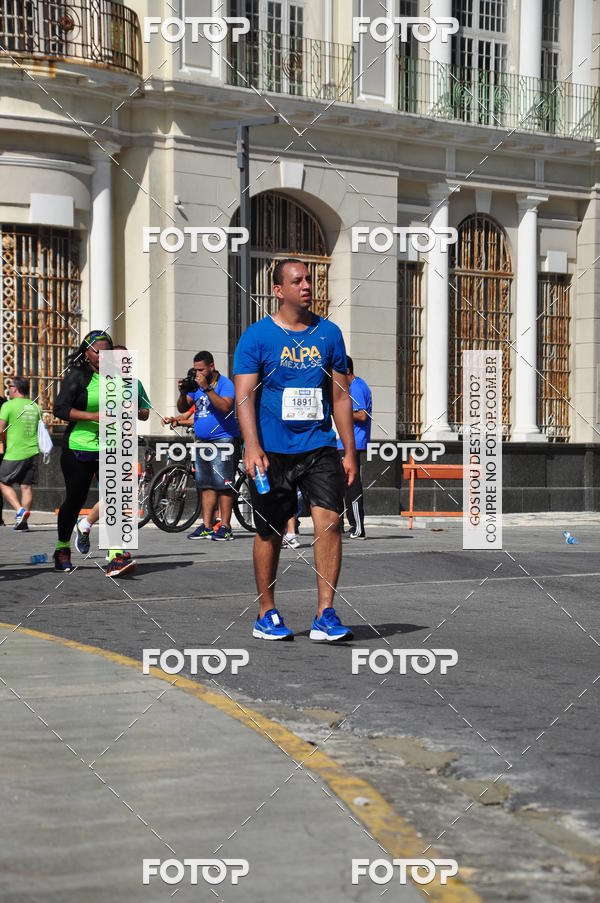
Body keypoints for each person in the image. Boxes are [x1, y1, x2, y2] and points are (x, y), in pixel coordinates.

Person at [233, 258, 357, 642]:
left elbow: (339, 396)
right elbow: (243, 398)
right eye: (297, 280)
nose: (306, 285)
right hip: (271, 451)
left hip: (319, 445)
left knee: (330, 522)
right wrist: (252, 447)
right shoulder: (256, 337)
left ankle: (325, 613)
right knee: (270, 531)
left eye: (309, 279)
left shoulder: (330, 334)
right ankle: (266, 611)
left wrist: (348, 451)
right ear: (278, 289)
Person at [53, 330, 135, 576]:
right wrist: (93, 416)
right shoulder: (78, 376)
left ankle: (115, 556)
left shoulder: (120, 377)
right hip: (80, 446)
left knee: (115, 497)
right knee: (75, 501)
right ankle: (62, 548)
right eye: (97, 350)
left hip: (111, 446)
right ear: (87, 353)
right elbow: (60, 408)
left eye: (106, 350)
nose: (102, 355)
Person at [74, 345, 151, 563]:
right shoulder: (99, 383)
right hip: (98, 446)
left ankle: (86, 525)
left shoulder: (134, 384)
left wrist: (134, 409)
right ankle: (114, 552)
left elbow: (145, 413)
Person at [177, 351, 239, 542]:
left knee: (224, 484)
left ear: (211, 367)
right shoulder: (196, 384)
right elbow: (182, 408)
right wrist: (183, 391)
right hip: (202, 441)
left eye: (201, 369)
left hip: (224, 440)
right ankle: (207, 525)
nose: (198, 373)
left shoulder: (224, 384)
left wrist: (207, 389)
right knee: (206, 484)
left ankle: (226, 527)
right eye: (196, 369)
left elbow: (226, 406)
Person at [0, 377, 42, 530]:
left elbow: (0, 429)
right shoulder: (35, 406)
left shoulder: (8, 405)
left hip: (15, 452)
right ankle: (23, 523)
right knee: (26, 487)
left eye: (9, 386)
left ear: (15, 388)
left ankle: (19, 510)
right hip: (33, 451)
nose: (8, 389)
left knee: (3, 482)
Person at [337, 356, 372, 539]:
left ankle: (358, 527)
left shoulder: (356, 387)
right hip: (344, 443)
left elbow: (362, 415)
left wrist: (341, 412)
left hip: (354, 444)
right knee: (343, 486)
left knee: (352, 486)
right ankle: (344, 525)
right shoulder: (353, 386)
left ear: (347, 371)